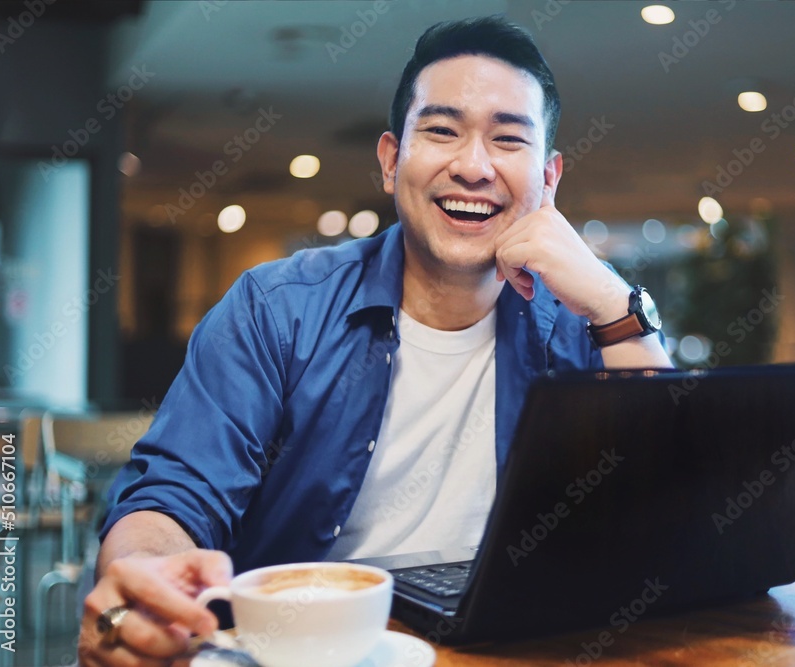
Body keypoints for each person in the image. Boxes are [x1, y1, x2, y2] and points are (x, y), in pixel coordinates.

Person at [78, 15, 672, 666]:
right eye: (443, 131)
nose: (474, 167)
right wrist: (148, 572)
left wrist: (618, 304)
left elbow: (665, 513)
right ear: (392, 160)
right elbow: (173, 495)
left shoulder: (582, 322)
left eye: (508, 140)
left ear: (549, 179)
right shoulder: (276, 309)